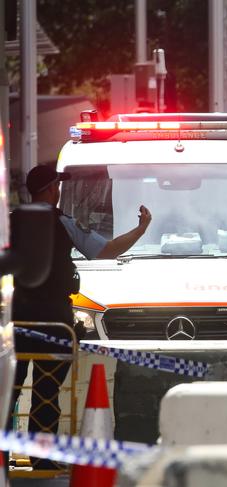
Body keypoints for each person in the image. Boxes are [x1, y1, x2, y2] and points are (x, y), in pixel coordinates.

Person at [4, 164, 152, 471]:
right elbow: (106, 251)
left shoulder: (8, 223)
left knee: (8, 391)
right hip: (55, 321)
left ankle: (3, 458)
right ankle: (41, 460)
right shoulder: (62, 223)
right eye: (57, 185)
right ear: (51, 189)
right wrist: (140, 229)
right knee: (47, 393)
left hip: (14, 322)